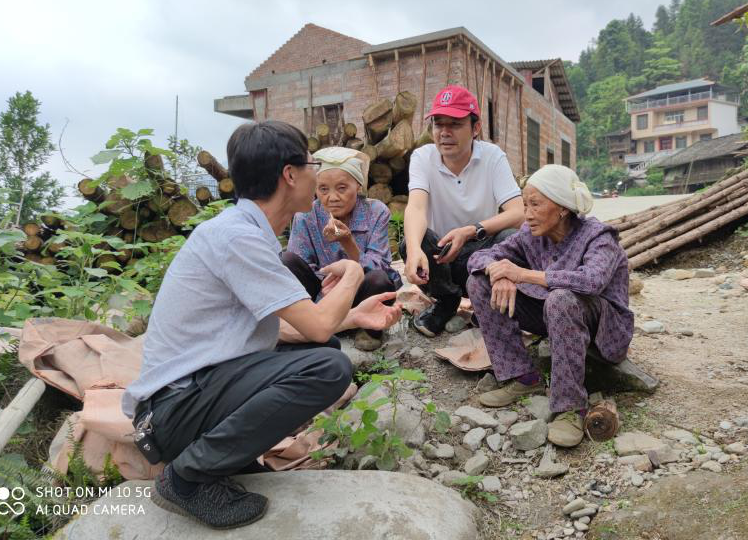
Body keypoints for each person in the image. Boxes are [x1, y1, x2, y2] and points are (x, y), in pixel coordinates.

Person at [122, 121, 402, 529]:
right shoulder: (238, 239)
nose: (318, 180)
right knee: (328, 367)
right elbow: (317, 325)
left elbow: (282, 331)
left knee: (321, 352)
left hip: (190, 397)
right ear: (290, 175)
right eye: (312, 166)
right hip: (173, 411)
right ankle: (186, 479)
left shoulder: (244, 232)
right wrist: (355, 271)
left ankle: (229, 459)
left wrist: (354, 317)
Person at [465, 165, 634, 448]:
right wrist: (498, 271)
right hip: (554, 314)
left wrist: (523, 274)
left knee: (561, 298)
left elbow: (591, 281)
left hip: (603, 328)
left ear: (563, 208)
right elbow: (478, 257)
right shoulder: (531, 234)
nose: (528, 214)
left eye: (535, 204)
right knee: (480, 282)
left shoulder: (599, 236)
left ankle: (570, 407)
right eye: (525, 205)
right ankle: (523, 377)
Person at [402, 85, 524, 337]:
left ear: (475, 128)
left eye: (455, 124)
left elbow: (518, 212)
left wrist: (471, 231)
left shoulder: (493, 157)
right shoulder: (423, 157)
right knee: (412, 242)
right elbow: (416, 207)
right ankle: (446, 302)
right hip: (440, 260)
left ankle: (485, 301)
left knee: (511, 237)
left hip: (480, 256)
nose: (444, 132)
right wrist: (414, 250)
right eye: (438, 124)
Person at [284, 146, 401, 349]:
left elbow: (379, 264)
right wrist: (330, 291)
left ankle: (368, 329)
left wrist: (348, 242)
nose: (332, 198)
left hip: (360, 293)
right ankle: (311, 324)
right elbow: (301, 263)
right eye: (323, 189)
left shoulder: (376, 212)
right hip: (322, 295)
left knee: (380, 279)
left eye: (342, 188)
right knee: (287, 261)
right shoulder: (305, 215)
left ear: (358, 186)